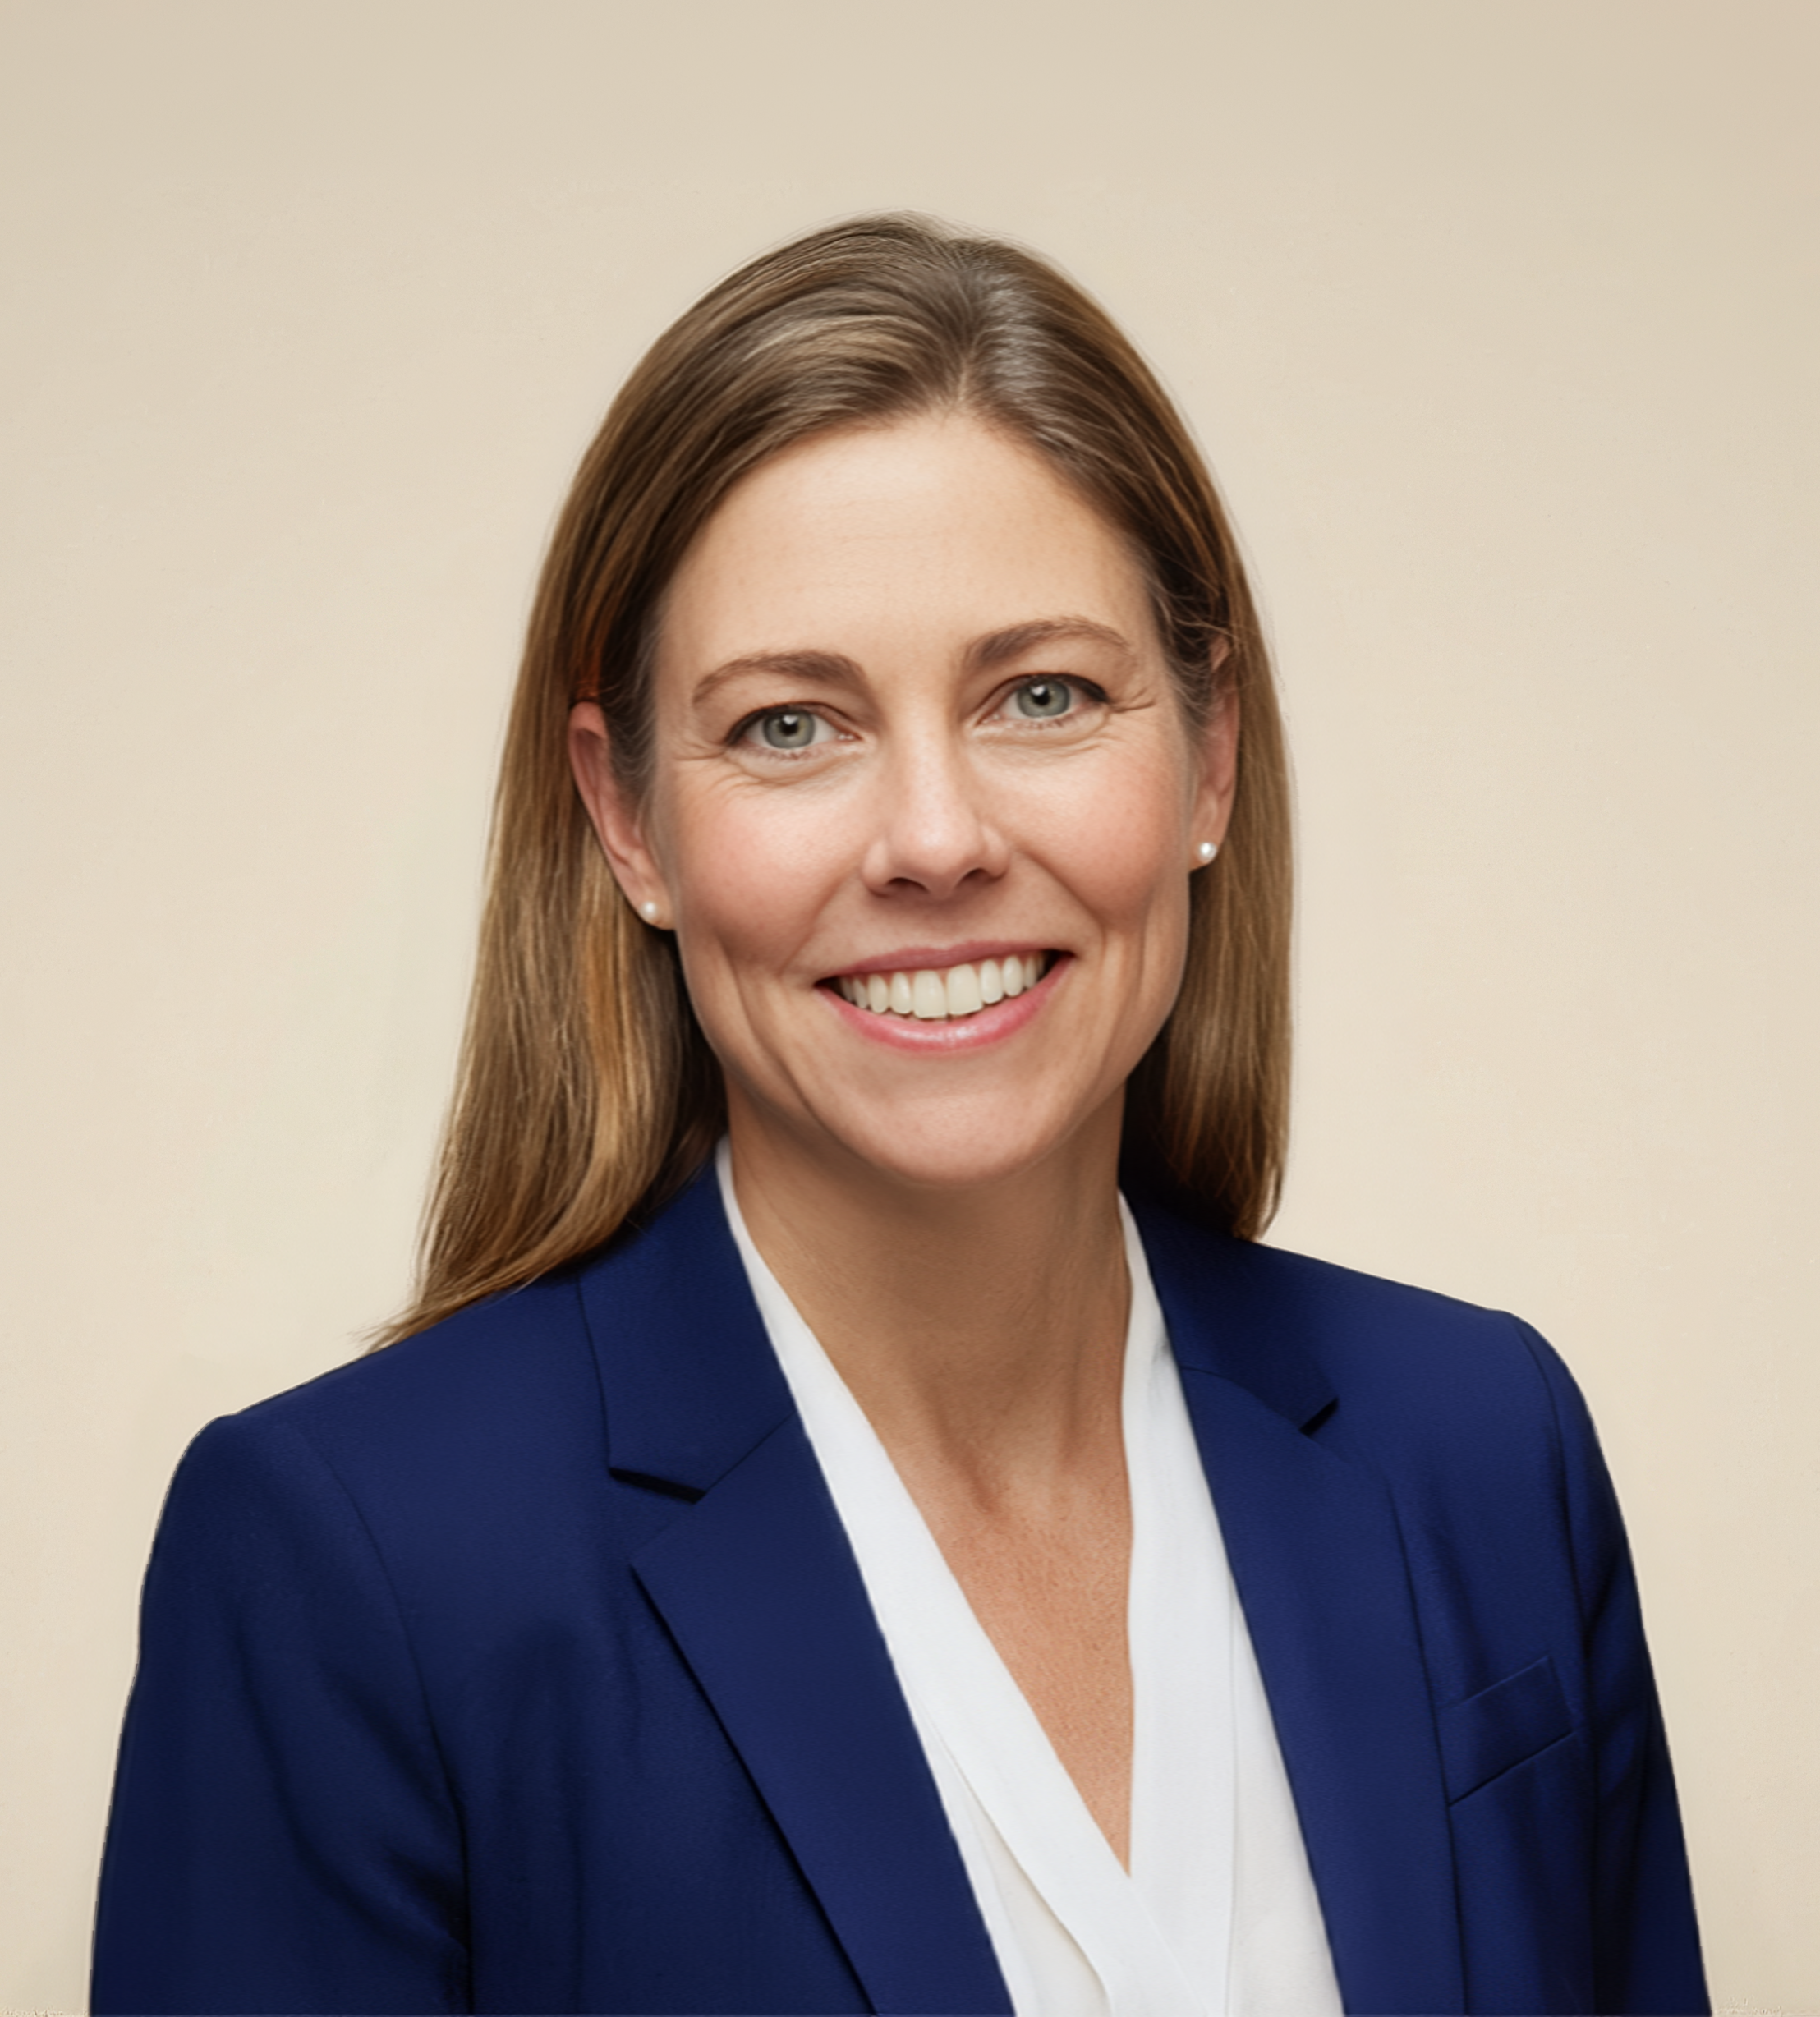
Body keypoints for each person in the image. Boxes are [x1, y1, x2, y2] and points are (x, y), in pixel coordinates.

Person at [91, 214, 1707, 2016]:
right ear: (627, 819)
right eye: (791, 725)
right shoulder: (353, 1568)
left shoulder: (1481, 1454)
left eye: (1043, 694)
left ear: (1210, 756)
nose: (935, 838)